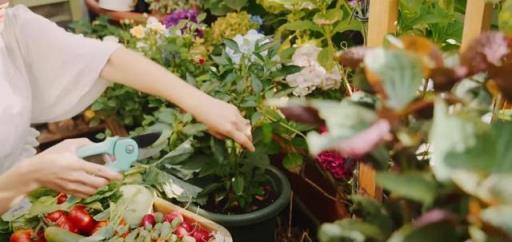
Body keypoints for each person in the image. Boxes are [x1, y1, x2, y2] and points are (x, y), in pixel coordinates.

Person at [0, 1, 255, 213]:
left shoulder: (10, 25)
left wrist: (200, 103)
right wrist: (29, 176)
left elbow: (105, 59)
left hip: (18, 207)